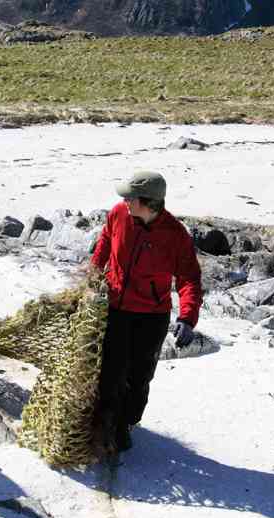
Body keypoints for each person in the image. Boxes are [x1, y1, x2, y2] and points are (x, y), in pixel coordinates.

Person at [91, 170, 202, 453]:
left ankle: (127, 423)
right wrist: (93, 271)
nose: (125, 201)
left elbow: (189, 278)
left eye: (130, 197)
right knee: (110, 371)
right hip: (115, 307)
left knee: (139, 377)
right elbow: (105, 239)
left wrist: (187, 317)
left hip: (152, 315)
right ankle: (105, 424)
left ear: (148, 202)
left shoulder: (175, 235)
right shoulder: (118, 214)